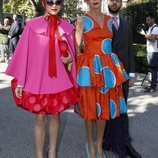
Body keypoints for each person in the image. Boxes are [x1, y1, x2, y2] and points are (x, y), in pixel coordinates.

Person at [6, 0, 78, 158]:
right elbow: (24, 53)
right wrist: (20, 80)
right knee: (40, 118)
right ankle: (39, 155)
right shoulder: (32, 26)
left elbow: (73, 54)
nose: (54, 5)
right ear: (44, 3)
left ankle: (52, 152)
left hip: (59, 81)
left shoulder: (67, 27)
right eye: (50, 1)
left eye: (58, 1)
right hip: (38, 80)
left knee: (56, 115)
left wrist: (70, 58)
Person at [75, 0, 129, 158]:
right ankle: (90, 145)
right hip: (90, 69)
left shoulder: (109, 20)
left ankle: (99, 145)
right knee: (91, 107)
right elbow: (78, 48)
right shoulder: (81, 20)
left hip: (107, 69)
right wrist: (81, 69)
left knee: (104, 108)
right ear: (86, 1)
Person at [103, 0, 141, 158]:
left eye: (117, 0)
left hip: (123, 75)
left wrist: (132, 74)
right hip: (106, 74)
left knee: (122, 109)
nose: (114, 3)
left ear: (121, 4)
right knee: (106, 109)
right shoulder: (101, 23)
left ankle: (125, 143)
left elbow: (130, 49)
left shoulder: (126, 24)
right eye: (111, 0)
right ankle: (106, 139)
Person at [140, 13, 158, 93]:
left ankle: (153, 87)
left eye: (148, 19)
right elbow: (149, 38)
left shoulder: (155, 28)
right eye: (146, 20)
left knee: (153, 70)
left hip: (154, 52)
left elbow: (152, 39)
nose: (147, 21)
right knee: (151, 69)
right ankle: (152, 85)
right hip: (150, 51)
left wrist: (144, 34)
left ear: (153, 19)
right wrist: (146, 34)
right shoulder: (150, 28)